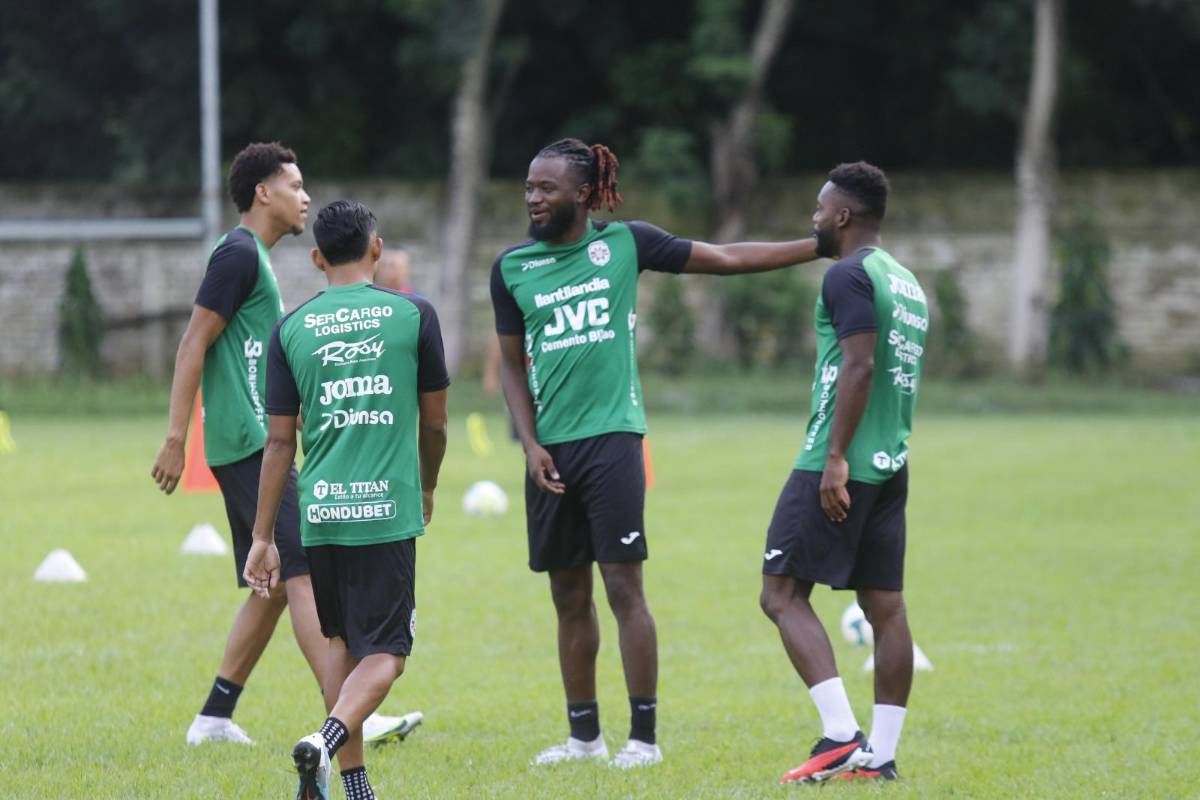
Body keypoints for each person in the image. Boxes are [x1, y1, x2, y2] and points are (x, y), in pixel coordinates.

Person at [489, 138, 820, 768]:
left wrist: (817, 247)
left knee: (623, 587)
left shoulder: (625, 244)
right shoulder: (511, 268)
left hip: (614, 440)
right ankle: (584, 738)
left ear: (582, 193)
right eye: (529, 187)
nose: (533, 197)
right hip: (549, 452)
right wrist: (529, 443)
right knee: (567, 595)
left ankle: (643, 738)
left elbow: (724, 257)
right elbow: (510, 364)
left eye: (546, 187)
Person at [243, 200, 449, 800]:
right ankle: (327, 742)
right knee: (387, 654)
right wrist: (428, 483)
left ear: (315, 259)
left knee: (341, 646)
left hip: (322, 513)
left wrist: (263, 537)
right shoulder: (414, 315)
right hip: (385, 512)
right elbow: (434, 427)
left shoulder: (291, 328)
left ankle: (355, 786)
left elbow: (279, 443)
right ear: (377, 249)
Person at [758, 162, 928, 784]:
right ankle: (879, 757)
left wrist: (834, 458)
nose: (814, 219)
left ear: (844, 217)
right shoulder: (904, 280)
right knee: (885, 605)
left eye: (820, 210)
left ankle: (839, 736)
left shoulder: (848, 275)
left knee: (780, 594)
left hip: (839, 461)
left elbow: (859, 367)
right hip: (889, 462)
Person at [150, 141, 324, 745]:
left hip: (254, 436)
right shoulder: (237, 253)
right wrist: (178, 438)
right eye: (296, 185)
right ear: (263, 192)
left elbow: (249, 356)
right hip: (247, 442)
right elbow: (193, 342)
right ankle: (350, 714)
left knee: (273, 584)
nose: (306, 197)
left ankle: (214, 717)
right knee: (304, 571)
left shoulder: (256, 259)